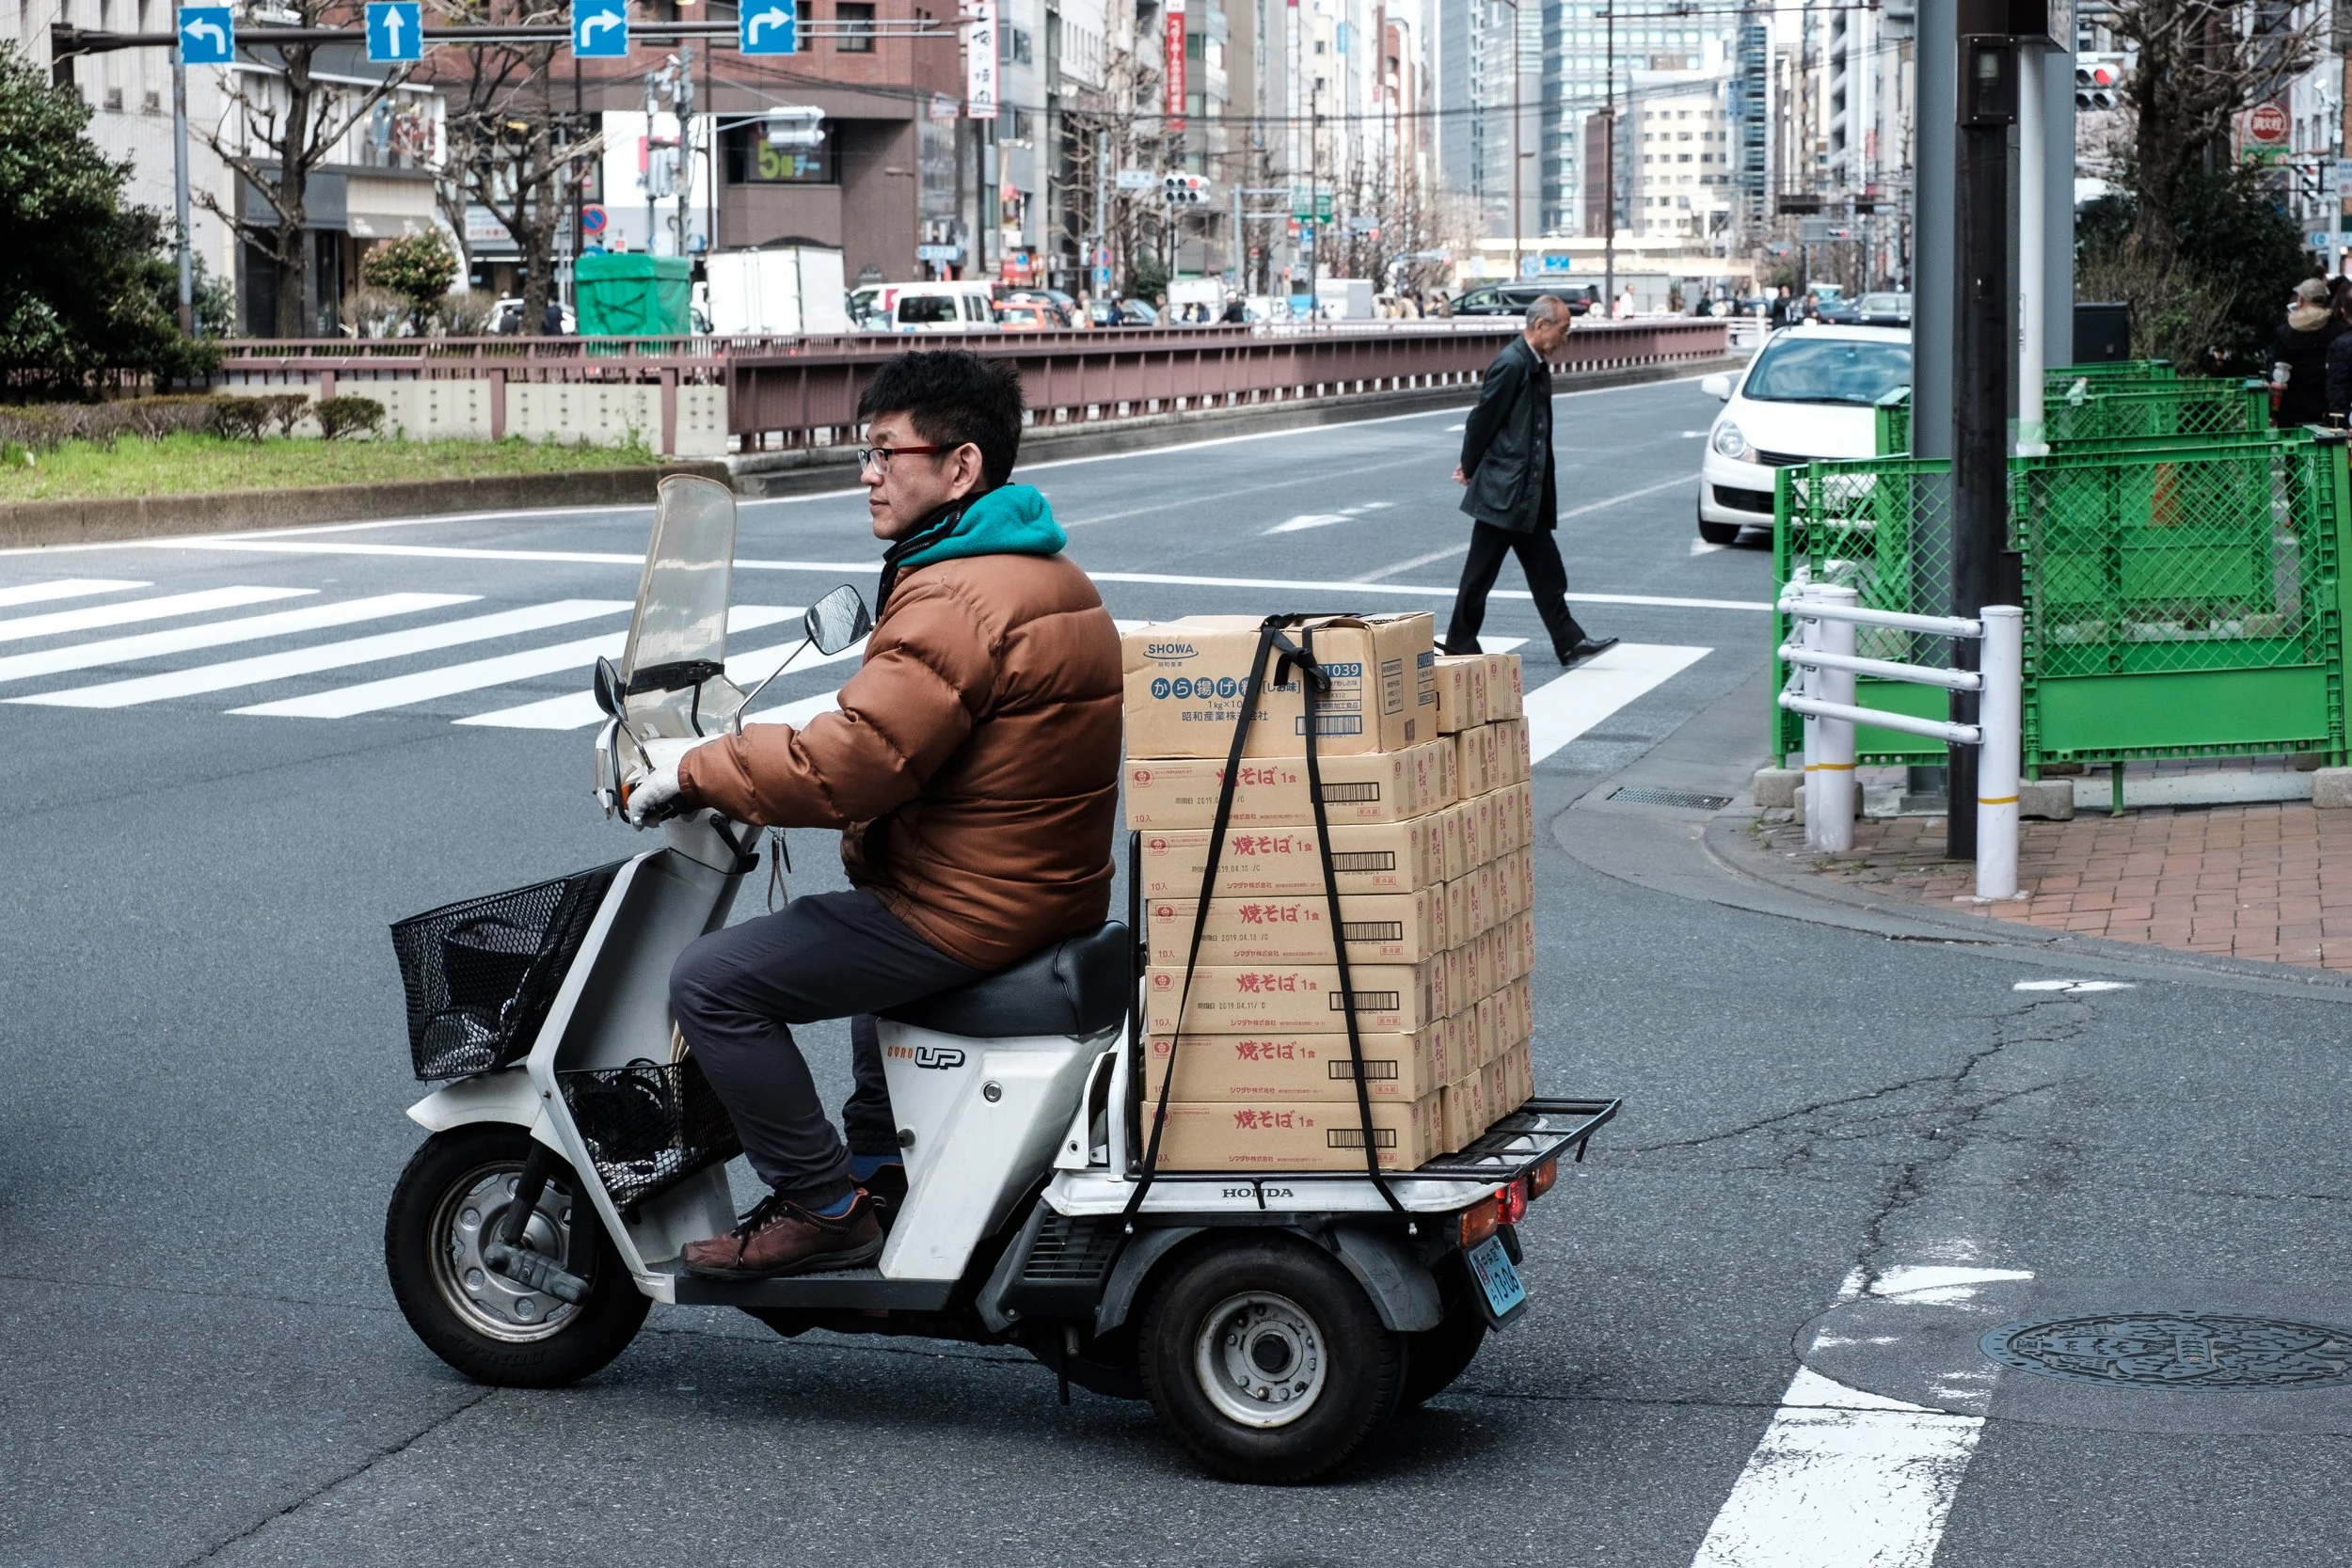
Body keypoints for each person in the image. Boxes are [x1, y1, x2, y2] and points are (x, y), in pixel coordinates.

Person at [623, 350, 1122, 1279]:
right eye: (867, 452)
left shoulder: (959, 594)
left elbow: (854, 763)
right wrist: (749, 759)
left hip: (969, 905)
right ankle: (880, 1169)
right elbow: (894, 735)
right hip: (1037, 889)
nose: (867, 474)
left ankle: (823, 1208)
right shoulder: (1041, 571)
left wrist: (698, 766)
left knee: (712, 982)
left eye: (887, 453)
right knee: (854, 941)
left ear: (960, 467)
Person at [1444, 295, 1618, 666]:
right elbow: (1482, 419)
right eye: (1563, 330)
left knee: (1547, 569)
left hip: (1526, 492)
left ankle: (1569, 639)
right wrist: (1469, 466)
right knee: (1480, 572)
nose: (1565, 339)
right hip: (1504, 491)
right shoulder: (1512, 364)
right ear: (1541, 326)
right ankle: (1460, 639)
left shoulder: (1535, 365)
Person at [2274, 277, 2340, 427]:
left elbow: (2278, 372)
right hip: (2329, 408)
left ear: (2301, 300)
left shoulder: (2285, 332)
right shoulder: (2338, 330)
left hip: (2293, 408)